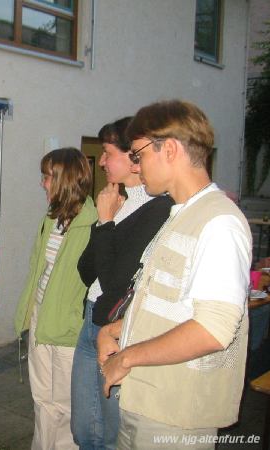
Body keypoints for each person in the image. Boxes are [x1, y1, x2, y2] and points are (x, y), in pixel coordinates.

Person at [98, 100, 252, 449]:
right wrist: (116, 331)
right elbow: (172, 305)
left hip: (176, 414)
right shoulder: (180, 215)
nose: (135, 165)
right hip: (146, 400)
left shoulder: (219, 223)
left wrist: (127, 356)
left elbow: (212, 329)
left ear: (168, 149)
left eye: (137, 155)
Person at [70, 117, 172, 449]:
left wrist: (104, 221)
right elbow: (86, 270)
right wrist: (106, 221)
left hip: (117, 330)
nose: (100, 162)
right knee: (84, 432)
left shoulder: (160, 207)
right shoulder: (118, 199)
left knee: (112, 436)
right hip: (91, 319)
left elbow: (114, 282)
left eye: (107, 153)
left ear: (133, 157)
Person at [14, 147, 98, 450]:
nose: (42, 183)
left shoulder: (94, 223)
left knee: (65, 405)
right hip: (41, 317)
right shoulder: (51, 219)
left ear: (64, 179)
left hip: (68, 329)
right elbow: (38, 270)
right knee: (42, 401)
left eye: (47, 176)